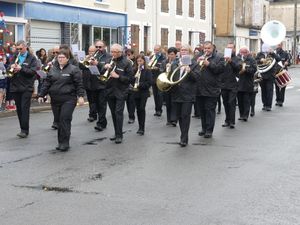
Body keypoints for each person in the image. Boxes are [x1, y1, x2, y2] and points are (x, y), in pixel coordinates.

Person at [38, 49, 85, 151]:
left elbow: (79, 84)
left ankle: (65, 143)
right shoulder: (52, 69)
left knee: (65, 119)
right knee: (59, 121)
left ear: (67, 58)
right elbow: (47, 83)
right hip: (55, 99)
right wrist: (41, 95)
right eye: (59, 57)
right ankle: (60, 142)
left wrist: (80, 96)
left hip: (69, 99)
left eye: (63, 57)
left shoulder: (73, 69)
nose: (61, 59)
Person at [102, 44, 133, 144]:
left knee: (118, 113)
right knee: (113, 113)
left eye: (116, 52)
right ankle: (116, 133)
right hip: (110, 90)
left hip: (121, 91)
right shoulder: (109, 60)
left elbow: (130, 79)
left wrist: (118, 76)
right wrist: (104, 67)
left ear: (120, 52)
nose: (113, 54)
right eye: (112, 52)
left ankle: (119, 135)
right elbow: (102, 74)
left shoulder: (127, 63)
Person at [169, 44, 198, 147]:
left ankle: (184, 138)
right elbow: (171, 77)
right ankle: (183, 134)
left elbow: (197, 78)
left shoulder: (193, 63)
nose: (183, 52)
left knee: (185, 116)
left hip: (188, 94)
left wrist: (189, 71)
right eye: (182, 50)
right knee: (180, 116)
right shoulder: (176, 62)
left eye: (185, 50)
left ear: (189, 52)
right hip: (177, 93)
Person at [8, 40, 37, 138]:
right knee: (19, 109)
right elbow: (9, 67)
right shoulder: (15, 56)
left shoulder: (32, 58)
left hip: (26, 87)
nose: (19, 50)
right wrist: (10, 67)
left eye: (21, 48)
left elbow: (33, 72)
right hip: (15, 86)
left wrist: (22, 69)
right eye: (17, 49)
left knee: (24, 109)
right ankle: (22, 128)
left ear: (25, 47)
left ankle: (25, 130)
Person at [196, 41, 225, 138]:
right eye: (205, 48)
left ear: (213, 48)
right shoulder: (198, 56)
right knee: (202, 110)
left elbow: (220, 69)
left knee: (210, 110)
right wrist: (196, 63)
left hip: (212, 88)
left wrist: (208, 64)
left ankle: (209, 130)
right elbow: (194, 70)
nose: (206, 50)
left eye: (209, 48)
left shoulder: (219, 57)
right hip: (200, 88)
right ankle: (204, 128)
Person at [220, 43, 240, 128]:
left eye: (231, 48)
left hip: (233, 84)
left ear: (234, 49)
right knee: (225, 103)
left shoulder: (237, 59)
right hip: (224, 84)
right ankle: (227, 120)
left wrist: (231, 61)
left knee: (231, 103)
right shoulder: (222, 58)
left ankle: (232, 121)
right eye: (228, 48)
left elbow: (238, 68)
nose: (229, 49)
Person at [256, 43, 280, 111]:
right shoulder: (260, 54)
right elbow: (256, 61)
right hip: (262, 75)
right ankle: (264, 104)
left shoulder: (272, 54)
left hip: (270, 75)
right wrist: (260, 60)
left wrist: (273, 53)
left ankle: (268, 105)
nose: (266, 49)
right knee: (263, 91)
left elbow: (278, 59)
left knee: (269, 90)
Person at [132, 55, 152, 135]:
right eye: (138, 61)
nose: (139, 62)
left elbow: (149, 82)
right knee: (138, 109)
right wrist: (134, 78)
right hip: (135, 92)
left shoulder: (147, 70)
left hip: (144, 92)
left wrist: (140, 84)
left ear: (144, 61)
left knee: (142, 108)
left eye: (141, 61)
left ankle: (142, 128)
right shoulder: (134, 70)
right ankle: (140, 126)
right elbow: (130, 80)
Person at [93, 40, 111, 131]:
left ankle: (101, 123)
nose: (98, 49)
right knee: (96, 104)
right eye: (96, 47)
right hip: (94, 83)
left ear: (104, 47)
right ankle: (102, 121)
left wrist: (98, 64)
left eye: (100, 47)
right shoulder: (93, 55)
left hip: (103, 84)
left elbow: (107, 70)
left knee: (102, 104)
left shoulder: (109, 57)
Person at [237, 46, 257, 121]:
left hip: (247, 83)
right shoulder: (238, 59)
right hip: (239, 83)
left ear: (247, 53)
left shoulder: (251, 60)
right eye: (241, 52)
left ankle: (245, 115)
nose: (242, 54)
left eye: (244, 52)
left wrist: (245, 69)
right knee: (240, 101)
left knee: (246, 100)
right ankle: (241, 115)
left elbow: (254, 70)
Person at [160, 47, 178, 126]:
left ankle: (174, 120)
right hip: (167, 85)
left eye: (172, 54)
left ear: (175, 54)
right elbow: (161, 71)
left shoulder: (178, 62)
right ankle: (169, 119)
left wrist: (172, 67)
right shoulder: (164, 62)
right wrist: (165, 67)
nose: (171, 56)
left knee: (174, 103)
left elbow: (178, 72)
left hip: (174, 84)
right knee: (168, 103)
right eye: (169, 54)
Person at [149, 45, 166, 116]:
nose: (156, 52)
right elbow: (149, 65)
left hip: (160, 78)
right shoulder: (152, 57)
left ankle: (159, 110)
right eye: (154, 50)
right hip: (153, 78)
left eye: (157, 50)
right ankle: (157, 110)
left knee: (160, 95)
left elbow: (164, 69)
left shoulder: (163, 58)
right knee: (155, 95)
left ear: (160, 50)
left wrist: (158, 68)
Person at [275, 42, 290, 107]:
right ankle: (278, 100)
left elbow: (289, 62)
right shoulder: (275, 54)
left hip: (283, 72)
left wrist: (287, 63)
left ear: (282, 45)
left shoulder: (286, 54)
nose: (278, 46)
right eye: (277, 45)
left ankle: (281, 101)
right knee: (277, 87)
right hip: (276, 72)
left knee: (283, 87)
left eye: (279, 45)